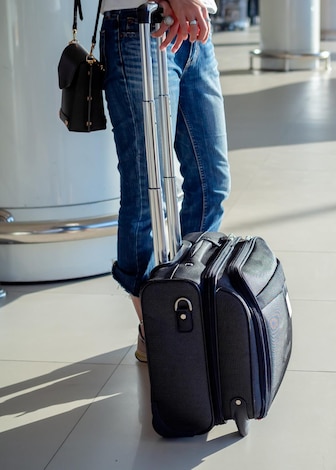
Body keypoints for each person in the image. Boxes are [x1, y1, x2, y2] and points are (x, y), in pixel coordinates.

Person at [100, 0, 231, 362]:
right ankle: (154, 325)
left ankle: (190, 302)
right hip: (140, 25)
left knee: (213, 184)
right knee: (146, 190)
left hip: (196, 34)